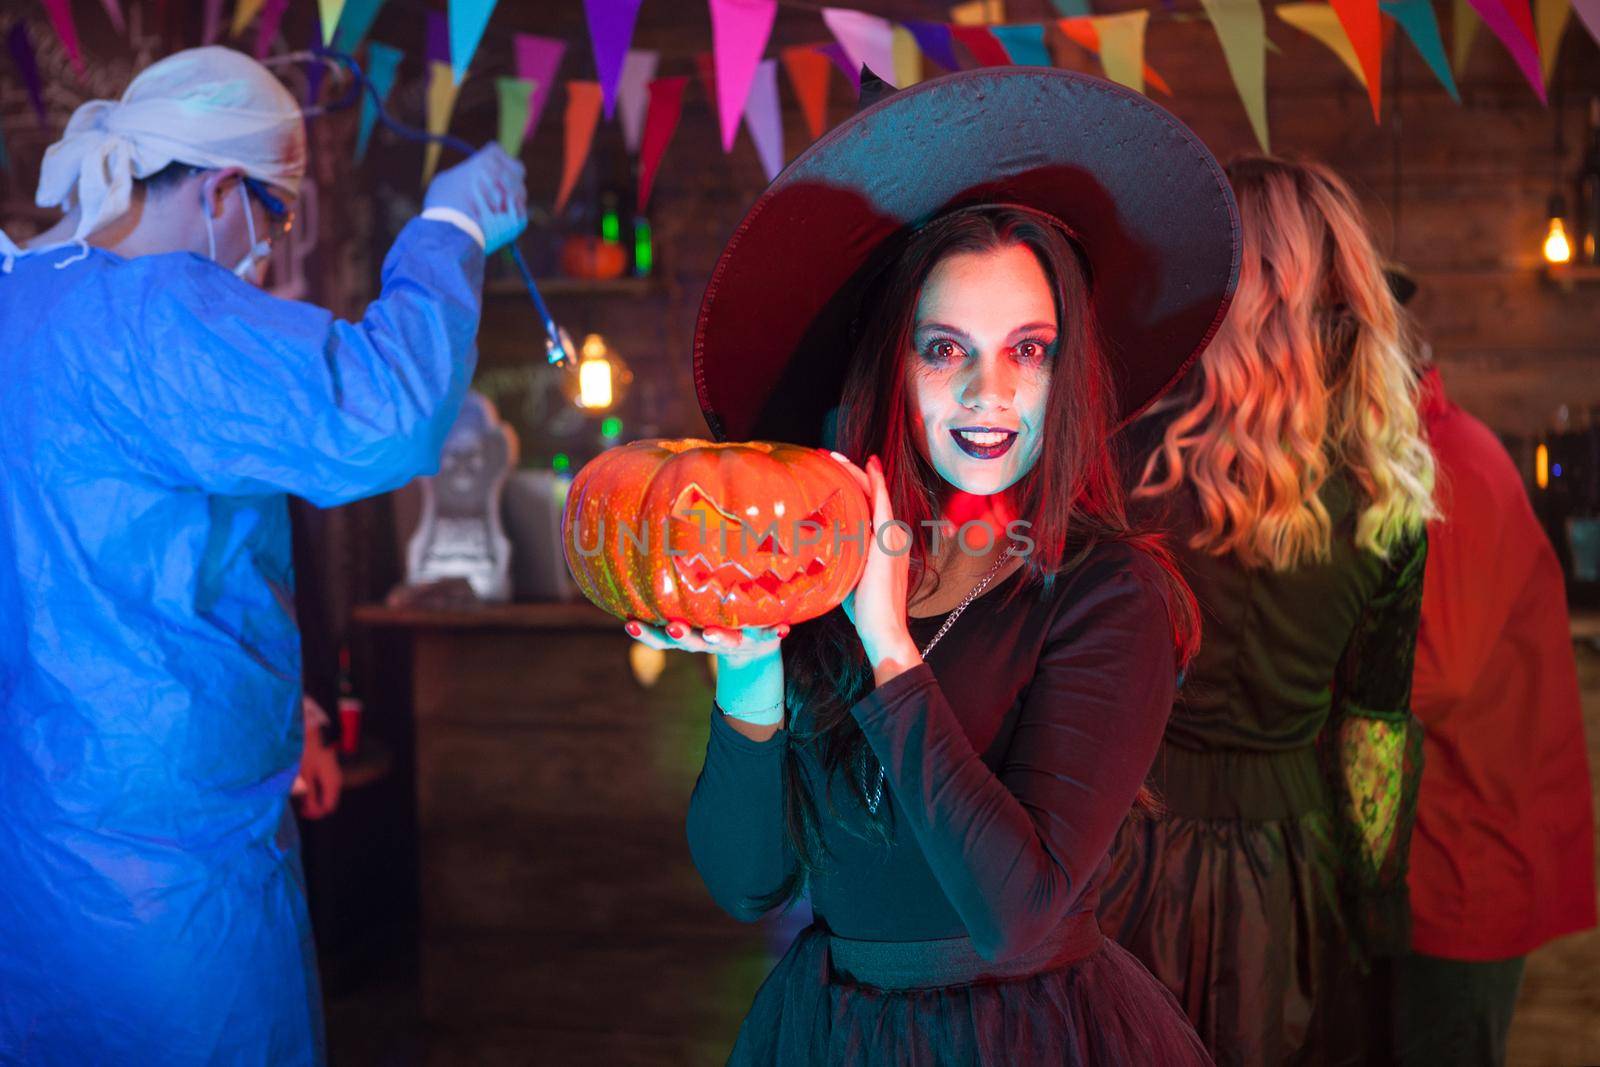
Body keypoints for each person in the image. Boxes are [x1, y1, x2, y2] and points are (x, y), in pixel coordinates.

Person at [626, 68, 1241, 1063]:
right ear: (895, 364)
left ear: (1066, 369)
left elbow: (1019, 912)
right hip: (835, 1028)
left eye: (1027, 350)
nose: (987, 391)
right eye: (945, 348)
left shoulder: (1106, 593)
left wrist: (887, 645)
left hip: (1024, 1034)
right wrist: (745, 673)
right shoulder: (819, 563)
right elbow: (749, 883)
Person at [0, 46, 527, 1065]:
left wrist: (292, 704)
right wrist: (451, 229)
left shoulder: (20, 301)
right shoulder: (161, 312)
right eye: (275, 215)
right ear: (222, 189)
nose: (266, 249)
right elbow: (382, 413)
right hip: (169, 880)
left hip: (34, 847)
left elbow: (99, 570)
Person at [1097, 155, 1437, 1066]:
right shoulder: (1387, 498)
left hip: (1126, 848)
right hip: (1292, 872)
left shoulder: (1127, 465)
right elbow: (1374, 726)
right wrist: (1376, 902)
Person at [1394, 334, 1596, 1065]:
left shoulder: (1450, 464)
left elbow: (1438, 670)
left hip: (1466, 867)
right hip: (1447, 851)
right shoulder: (1422, 455)